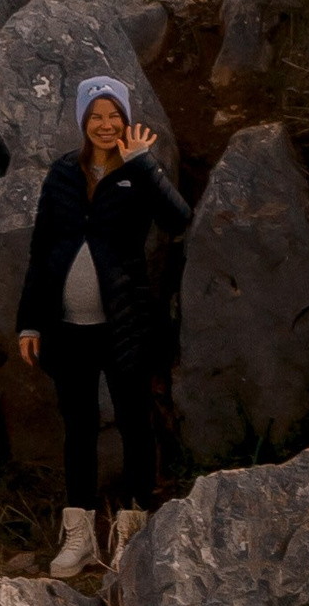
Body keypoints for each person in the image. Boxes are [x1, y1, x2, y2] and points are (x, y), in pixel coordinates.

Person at [15, 75, 193, 578]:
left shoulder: (137, 173)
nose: (106, 125)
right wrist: (29, 323)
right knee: (79, 428)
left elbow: (179, 219)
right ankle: (79, 538)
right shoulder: (61, 176)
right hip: (66, 327)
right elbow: (40, 249)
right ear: (83, 121)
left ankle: (131, 537)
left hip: (125, 324)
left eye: (114, 115)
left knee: (136, 423)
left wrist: (144, 163)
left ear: (126, 119)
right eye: (96, 116)